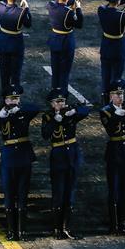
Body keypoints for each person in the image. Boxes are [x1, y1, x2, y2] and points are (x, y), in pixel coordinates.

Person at [0, 84, 39, 241]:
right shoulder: (2, 115)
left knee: (23, 193)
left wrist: (19, 110)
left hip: (23, 155)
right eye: (11, 99)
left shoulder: (23, 112)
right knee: (9, 194)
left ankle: (22, 231)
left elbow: (35, 108)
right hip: (9, 156)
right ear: (5, 99)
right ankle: (11, 230)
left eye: (16, 98)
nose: (13, 101)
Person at [42, 88, 91, 240]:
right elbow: (45, 135)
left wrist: (74, 111)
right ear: (52, 104)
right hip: (58, 155)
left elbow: (86, 110)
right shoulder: (48, 116)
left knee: (69, 192)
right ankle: (57, 228)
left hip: (72, 154)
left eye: (62, 101)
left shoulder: (69, 112)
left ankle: (66, 227)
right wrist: (55, 120)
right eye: (57, 102)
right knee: (59, 192)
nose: (61, 104)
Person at [99, 79, 125, 235]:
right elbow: (110, 126)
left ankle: (122, 222)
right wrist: (118, 115)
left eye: (121, 93)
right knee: (114, 189)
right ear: (110, 96)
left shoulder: (124, 107)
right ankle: (114, 223)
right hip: (115, 150)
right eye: (117, 94)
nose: (120, 97)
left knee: (124, 188)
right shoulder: (106, 110)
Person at [0, 0, 32, 89]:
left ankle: (5, 94)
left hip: (2, 41)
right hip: (16, 43)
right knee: (16, 71)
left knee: (4, 71)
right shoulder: (21, 11)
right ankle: (14, 94)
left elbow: (2, 0)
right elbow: (28, 24)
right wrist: (26, 6)